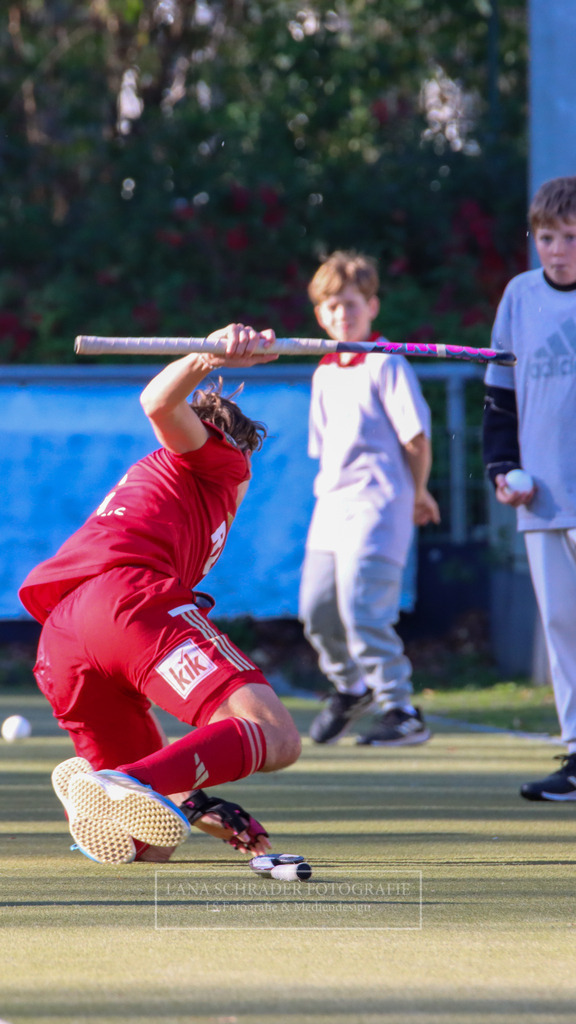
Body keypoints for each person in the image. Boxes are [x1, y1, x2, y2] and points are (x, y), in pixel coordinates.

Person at [19, 324, 302, 864]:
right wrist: (209, 354)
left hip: (62, 641)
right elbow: (157, 400)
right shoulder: (220, 462)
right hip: (125, 607)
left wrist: (194, 803)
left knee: (143, 843)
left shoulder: (160, 481)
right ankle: (120, 782)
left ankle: (123, 788)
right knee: (276, 735)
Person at [298, 251, 440, 746]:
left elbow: (416, 439)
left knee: (363, 609)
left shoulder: (386, 362)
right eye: (333, 305)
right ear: (320, 314)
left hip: (380, 504)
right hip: (332, 506)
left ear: (372, 306)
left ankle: (401, 709)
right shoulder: (324, 371)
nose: (343, 314)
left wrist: (419, 492)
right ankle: (349, 687)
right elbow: (325, 450)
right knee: (316, 611)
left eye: (353, 303)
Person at [483, 175, 576, 801]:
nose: (558, 249)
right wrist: (498, 470)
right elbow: (499, 399)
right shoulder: (519, 297)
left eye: (570, 237)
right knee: (563, 626)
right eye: (547, 236)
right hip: (542, 497)